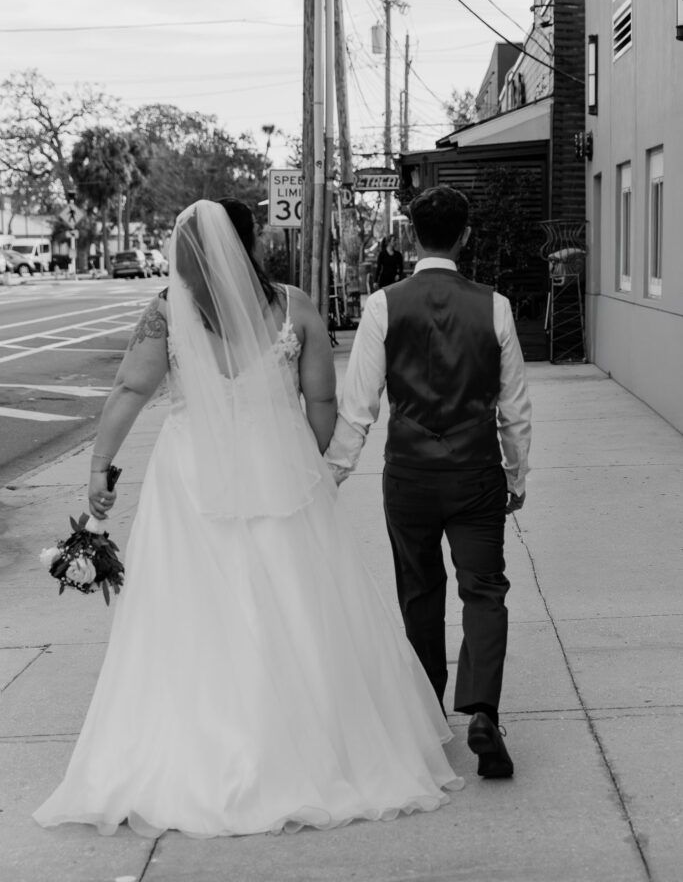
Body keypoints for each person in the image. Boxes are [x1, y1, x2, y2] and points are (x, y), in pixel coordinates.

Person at [34, 198, 462, 840]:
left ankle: (202, 745)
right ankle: (312, 743)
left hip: (193, 476)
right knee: (295, 599)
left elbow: (129, 389)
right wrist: (312, 466)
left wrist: (100, 465)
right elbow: (322, 400)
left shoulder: (166, 310)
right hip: (279, 468)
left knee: (193, 610)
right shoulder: (294, 307)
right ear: (250, 241)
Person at [325, 185, 531, 780]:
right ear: (466, 235)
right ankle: (483, 710)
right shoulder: (494, 306)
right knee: (484, 591)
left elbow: (358, 405)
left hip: (410, 476)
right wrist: (516, 472)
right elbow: (514, 405)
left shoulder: (383, 304)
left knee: (419, 591)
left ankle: (426, 712)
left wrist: (333, 474)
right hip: (475, 473)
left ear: (412, 235)